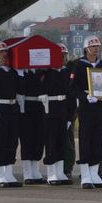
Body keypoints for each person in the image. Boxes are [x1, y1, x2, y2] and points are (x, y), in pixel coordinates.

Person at [68, 36, 102, 189]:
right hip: (87, 105)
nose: (96, 49)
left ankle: (95, 173)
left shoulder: (101, 64)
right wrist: (85, 96)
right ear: (86, 48)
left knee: (98, 138)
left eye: (98, 46)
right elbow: (73, 87)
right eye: (93, 47)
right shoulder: (79, 65)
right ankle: (85, 175)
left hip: (99, 106)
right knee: (86, 138)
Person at [0, 41, 23, 188]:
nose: (3, 54)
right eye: (0, 52)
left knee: (12, 141)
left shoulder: (12, 72)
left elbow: (20, 90)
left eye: (5, 52)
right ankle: (0, 174)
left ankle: (8, 172)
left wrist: (20, 75)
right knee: (0, 142)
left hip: (12, 108)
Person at [38, 43, 74, 185]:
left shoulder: (66, 72)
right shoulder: (46, 73)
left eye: (64, 55)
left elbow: (70, 95)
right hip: (50, 110)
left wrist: (70, 116)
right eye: (60, 55)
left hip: (63, 110)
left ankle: (60, 172)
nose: (63, 58)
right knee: (51, 142)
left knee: (61, 143)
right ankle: (52, 173)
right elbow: (41, 90)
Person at [19, 68, 47, 184]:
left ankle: (35, 171)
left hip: (40, 106)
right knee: (26, 140)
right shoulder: (22, 72)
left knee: (38, 140)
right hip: (26, 107)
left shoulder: (43, 71)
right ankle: (27, 173)